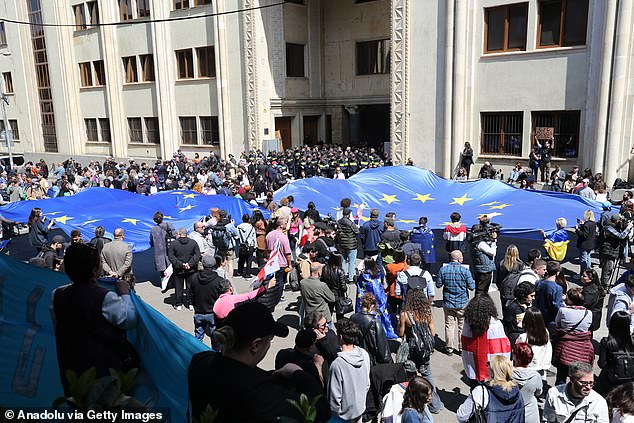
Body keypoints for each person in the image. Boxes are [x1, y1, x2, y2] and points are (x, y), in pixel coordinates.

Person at [188, 302, 330, 422]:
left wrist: (270, 374)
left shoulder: (200, 361)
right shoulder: (258, 392)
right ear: (255, 345)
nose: (269, 345)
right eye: (270, 340)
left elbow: (233, 371)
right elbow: (321, 410)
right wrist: (297, 373)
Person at [51, 243, 138, 397]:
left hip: (71, 367)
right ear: (95, 270)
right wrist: (125, 294)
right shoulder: (104, 297)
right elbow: (129, 320)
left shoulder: (57, 295)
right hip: (103, 369)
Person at [397, 289, 445, 414]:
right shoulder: (427, 312)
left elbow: (400, 333)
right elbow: (433, 332)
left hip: (411, 352)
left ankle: (413, 404)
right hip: (424, 352)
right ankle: (435, 405)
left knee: (411, 379)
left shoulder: (405, 315)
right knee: (428, 377)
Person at [456, 355, 525, 422]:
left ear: (492, 372)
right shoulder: (518, 392)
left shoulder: (481, 392)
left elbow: (462, 416)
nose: (487, 366)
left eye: (489, 364)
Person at [327, 318, 371, 422]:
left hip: (343, 417)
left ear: (340, 337)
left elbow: (334, 397)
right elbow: (367, 384)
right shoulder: (364, 354)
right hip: (360, 410)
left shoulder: (337, 364)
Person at [461, 294, 511, 382]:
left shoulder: (467, 323)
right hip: (491, 366)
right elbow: (503, 345)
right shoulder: (496, 324)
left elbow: (464, 341)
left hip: (472, 363)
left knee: (474, 386)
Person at [543, 361, 609, 423]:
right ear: (572, 379)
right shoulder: (554, 394)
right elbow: (548, 420)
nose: (588, 387)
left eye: (591, 383)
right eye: (584, 383)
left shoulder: (599, 401)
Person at [552, 287, 594, 385]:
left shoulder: (563, 311)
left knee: (561, 375)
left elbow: (557, 324)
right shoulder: (589, 313)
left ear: (570, 300)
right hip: (583, 349)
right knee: (578, 376)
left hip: (565, 347)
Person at [436, 250, 474, 355]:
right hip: (462, 303)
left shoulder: (443, 270)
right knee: (462, 326)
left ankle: (449, 348)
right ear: (458, 259)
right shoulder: (465, 271)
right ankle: (461, 348)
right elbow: (472, 287)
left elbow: (438, 285)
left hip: (448, 303)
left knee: (449, 325)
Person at [356, 257, 397, 339]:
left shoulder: (362, 276)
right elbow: (379, 290)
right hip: (378, 300)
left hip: (366, 301)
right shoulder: (377, 274)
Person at [596, 311, 634, 395]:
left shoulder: (606, 342)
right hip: (629, 382)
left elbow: (601, 364)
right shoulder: (632, 342)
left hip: (609, 381)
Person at [189, 255, 225, 341]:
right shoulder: (219, 280)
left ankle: (197, 352)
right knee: (216, 338)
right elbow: (222, 298)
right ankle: (216, 354)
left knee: (198, 336)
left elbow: (190, 294)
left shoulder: (194, 277)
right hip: (213, 313)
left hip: (198, 311)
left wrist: (192, 304)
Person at [350, 292, 391, 366]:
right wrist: (387, 359)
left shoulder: (353, 317)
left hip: (357, 354)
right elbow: (382, 344)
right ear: (372, 305)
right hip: (371, 358)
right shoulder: (374, 321)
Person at [168, 228, 201, 311]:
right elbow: (197, 255)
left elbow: (171, 257)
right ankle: (191, 303)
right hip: (191, 269)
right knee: (190, 286)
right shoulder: (193, 243)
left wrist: (181, 264)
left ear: (179, 234)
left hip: (178, 269)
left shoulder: (173, 244)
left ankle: (179, 304)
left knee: (178, 287)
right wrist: (190, 263)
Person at [516, 307, 552, 382]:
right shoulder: (545, 333)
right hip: (541, 368)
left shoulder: (523, 337)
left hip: (527, 370)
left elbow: (517, 352)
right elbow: (548, 349)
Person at [600, 214, 633, 290]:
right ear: (616, 221)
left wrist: (625, 227)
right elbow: (621, 236)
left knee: (609, 269)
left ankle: (605, 285)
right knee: (607, 270)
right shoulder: (608, 228)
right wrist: (628, 227)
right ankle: (603, 288)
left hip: (612, 251)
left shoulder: (615, 226)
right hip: (608, 252)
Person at [512, 342, 543, 423]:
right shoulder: (536, 376)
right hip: (530, 413)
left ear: (515, 356)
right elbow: (539, 392)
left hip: (511, 411)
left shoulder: (507, 374)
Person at [471, 216, 498, 294]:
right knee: (482, 291)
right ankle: (479, 304)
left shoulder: (474, 242)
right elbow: (493, 253)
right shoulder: (480, 244)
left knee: (480, 289)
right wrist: (493, 241)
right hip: (484, 270)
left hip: (480, 268)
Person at [535, 260, 564, 328]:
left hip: (540, 314)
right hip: (551, 318)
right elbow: (557, 305)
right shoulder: (557, 288)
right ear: (557, 273)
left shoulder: (538, 282)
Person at [321, 252, 348, 320]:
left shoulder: (325, 269)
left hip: (328, 294)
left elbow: (322, 281)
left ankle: (327, 328)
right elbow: (343, 288)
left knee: (328, 315)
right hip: (339, 296)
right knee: (340, 316)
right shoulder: (340, 271)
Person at [149, 211, 176, 279]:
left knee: (162, 271)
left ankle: (164, 285)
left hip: (159, 252)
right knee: (171, 268)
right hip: (169, 250)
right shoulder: (168, 225)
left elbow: (151, 241)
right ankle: (172, 283)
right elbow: (174, 235)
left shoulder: (153, 229)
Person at [337, 207, 359, 284]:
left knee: (342, 261)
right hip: (351, 245)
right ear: (349, 214)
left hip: (342, 244)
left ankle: (342, 277)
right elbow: (357, 231)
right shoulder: (350, 223)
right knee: (351, 262)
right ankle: (350, 278)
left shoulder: (339, 222)